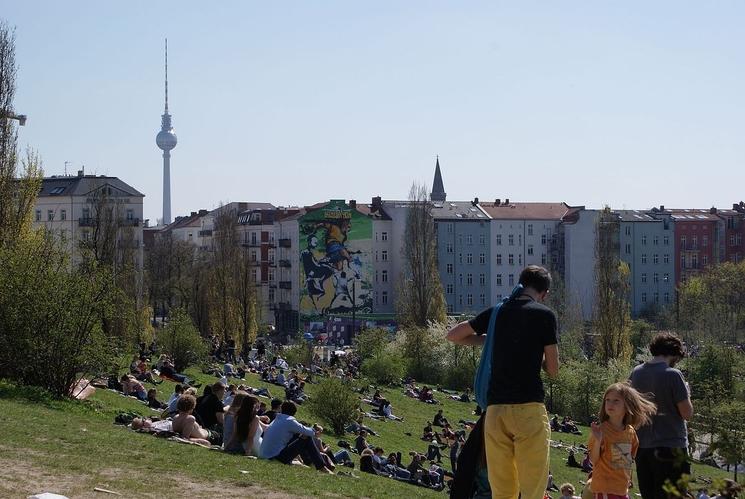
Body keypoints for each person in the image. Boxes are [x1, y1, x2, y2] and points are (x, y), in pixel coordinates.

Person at [447, 265, 559, 499]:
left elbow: (454, 335)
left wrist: (489, 341)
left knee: (502, 491)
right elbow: (553, 369)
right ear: (545, 293)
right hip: (528, 408)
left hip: (496, 412)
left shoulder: (498, 312)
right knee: (532, 488)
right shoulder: (544, 315)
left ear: (521, 282)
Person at [629, 332, 693, 499]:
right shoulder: (673, 374)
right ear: (675, 353)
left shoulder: (636, 373)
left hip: (643, 447)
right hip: (671, 447)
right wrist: (687, 392)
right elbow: (686, 413)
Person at [588, 382, 656, 499]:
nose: (610, 404)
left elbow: (627, 462)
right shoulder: (601, 431)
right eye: (607, 400)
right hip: (605, 489)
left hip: (622, 490)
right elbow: (593, 460)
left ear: (627, 405)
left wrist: (629, 478)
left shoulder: (630, 432)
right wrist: (598, 441)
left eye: (616, 401)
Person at [259, 401, 333, 473]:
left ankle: (307, 462)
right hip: (276, 457)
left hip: (264, 454)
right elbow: (309, 432)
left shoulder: (277, 419)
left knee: (299, 435)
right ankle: (321, 467)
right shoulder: (289, 421)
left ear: (282, 409)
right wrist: (317, 430)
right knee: (307, 438)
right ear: (294, 412)